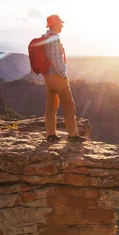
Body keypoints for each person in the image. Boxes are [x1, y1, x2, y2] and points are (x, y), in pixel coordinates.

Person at [42, 14, 86, 143]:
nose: (62, 26)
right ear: (54, 25)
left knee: (51, 106)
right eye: (60, 24)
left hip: (47, 76)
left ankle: (50, 134)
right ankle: (72, 135)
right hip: (57, 76)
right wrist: (63, 74)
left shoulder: (45, 37)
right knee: (68, 105)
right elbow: (56, 60)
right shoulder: (54, 38)